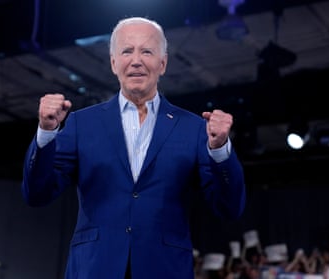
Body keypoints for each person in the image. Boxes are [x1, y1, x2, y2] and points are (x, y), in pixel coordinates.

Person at [21, 16, 246, 279]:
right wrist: (46, 133)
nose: (136, 60)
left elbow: (229, 208)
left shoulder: (195, 128)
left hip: (165, 270)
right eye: (127, 51)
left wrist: (220, 151)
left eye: (147, 51)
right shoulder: (82, 123)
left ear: (163, 64)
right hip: (95, 269)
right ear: (114, 62)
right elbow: (36, 194)